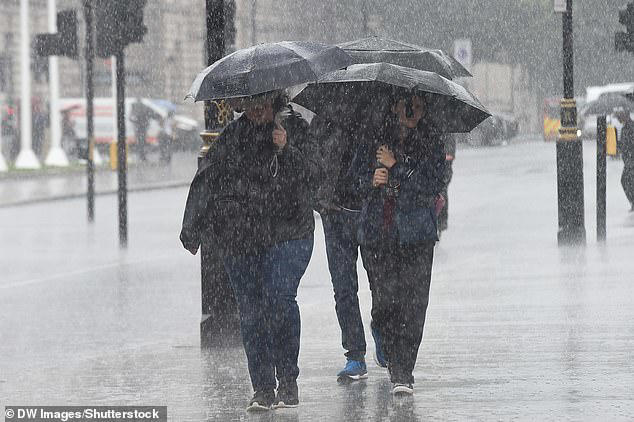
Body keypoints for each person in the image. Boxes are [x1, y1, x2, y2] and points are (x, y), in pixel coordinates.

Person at [180, 92, 317, 411]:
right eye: (251, 102)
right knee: (252, 310)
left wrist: (287, 150)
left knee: (280, 298)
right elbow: (207, 180)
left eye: (263, 101)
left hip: (289, 232)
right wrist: (193, 228)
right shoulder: (232, 137)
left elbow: (314, 177)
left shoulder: (294, 129)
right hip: (242, 235)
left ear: (275, 101)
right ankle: (263, 388)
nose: (257, 108)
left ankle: (287, 379)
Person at [356, 93, 444, 396]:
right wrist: (372, 179)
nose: (412, 111)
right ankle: (385, 336)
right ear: (394, 106)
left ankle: (402, 370)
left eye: (418, 106)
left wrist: (399, 165)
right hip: (380, 234)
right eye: (407, 105)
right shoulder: (373, 137)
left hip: (417, 235)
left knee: (414, 304)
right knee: (386, 301)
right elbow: (353, 181)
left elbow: (433, 185)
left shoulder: (431, 141)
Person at [311, 114, 387, 383]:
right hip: (335, 213)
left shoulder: (378, 115)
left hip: (370, 211)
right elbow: (312, 161)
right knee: (343, 288)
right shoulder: (324, 120)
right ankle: (355, 353)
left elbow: (390, 156)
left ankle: (381, 329)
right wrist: (319, 197)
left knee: (380, 281)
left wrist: (377, 176)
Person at [615, 109, 634, 211]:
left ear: (625, 115)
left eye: (619, 116)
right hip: (628, 159)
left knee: (625, 180)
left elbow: (628, 144)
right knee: (627, 180)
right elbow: (624, 144)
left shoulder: (630, 127)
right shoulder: (625, 128)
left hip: (631, 159)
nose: (618, 119)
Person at [437, 133, 456, 236]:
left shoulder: (446, 131)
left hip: (443, 169)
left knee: (441, 193)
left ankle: (441, 222)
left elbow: (449, 153)